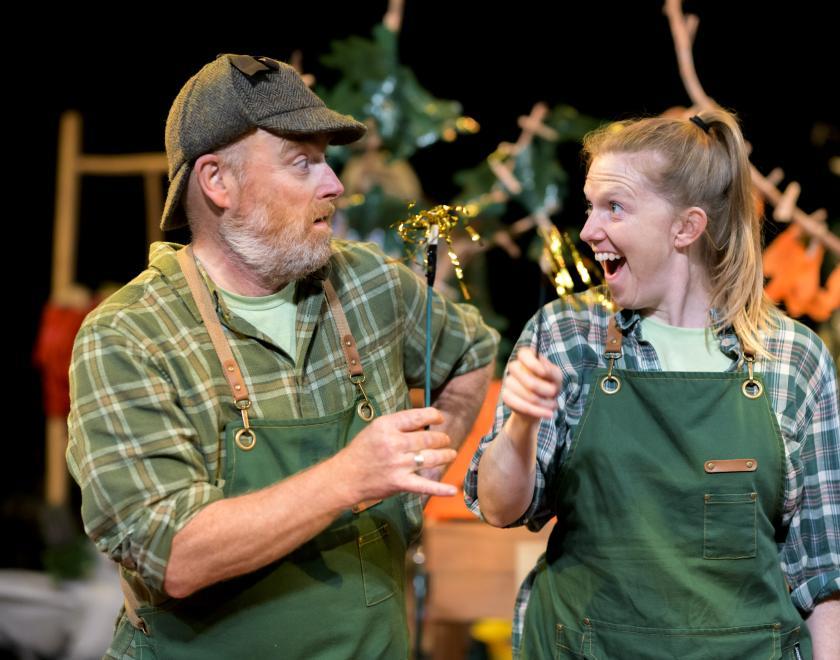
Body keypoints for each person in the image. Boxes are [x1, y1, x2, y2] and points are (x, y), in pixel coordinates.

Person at [67, 53, 498, 659]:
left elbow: (473, 355)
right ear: (218, 182)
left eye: (326, 160)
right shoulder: (130, 336)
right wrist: (351, 478)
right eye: (303, 164)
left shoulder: (368, 285)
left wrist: (422, 471)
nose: (334, 185)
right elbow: (172, 554)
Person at [465, 109, 839, 659]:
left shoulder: (791, 358)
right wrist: (521, 423)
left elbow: (823, 572)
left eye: (614, 207)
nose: (590, 230)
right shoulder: (568, 336)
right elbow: (501, 509)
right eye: (590, 206)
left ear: (686, 227)